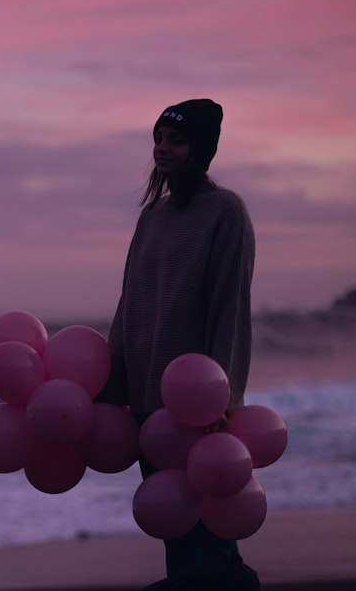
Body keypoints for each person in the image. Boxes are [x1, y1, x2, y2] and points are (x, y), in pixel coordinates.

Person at [100, 99, 259, 590]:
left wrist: (222, 396)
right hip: (148, 400)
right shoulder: (152, 217)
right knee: (173, 523)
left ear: (201, 150)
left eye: (177, 140)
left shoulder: (225, 212)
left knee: (209, 528)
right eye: (160, 138)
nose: (163, 149)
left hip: (195, 406)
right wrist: (110, 385)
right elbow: (130, 304)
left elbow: (228, 307)